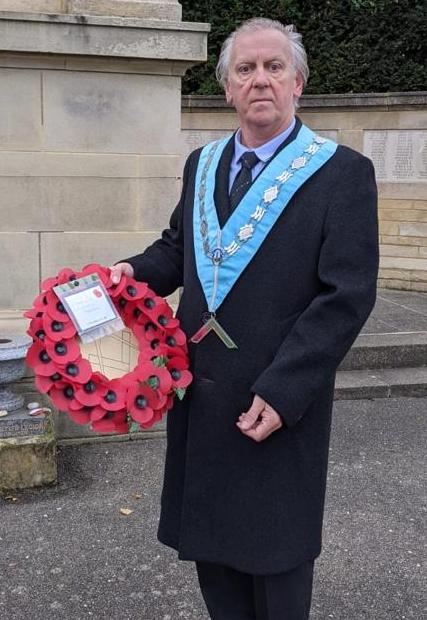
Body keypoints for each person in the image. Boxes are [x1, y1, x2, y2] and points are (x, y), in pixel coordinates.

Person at [111, 17, 379, 620]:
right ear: (229, 88)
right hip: (200, 392)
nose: (261, 80)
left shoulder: (342, 175)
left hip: (276, 402)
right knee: (215, 560)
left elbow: (346, 295)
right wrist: (127, 274)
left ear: (298, 84)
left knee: (276, 563)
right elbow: (180, 250)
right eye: (246, 69)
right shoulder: (202, 164)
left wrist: (284, 392)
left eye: (274, 67)